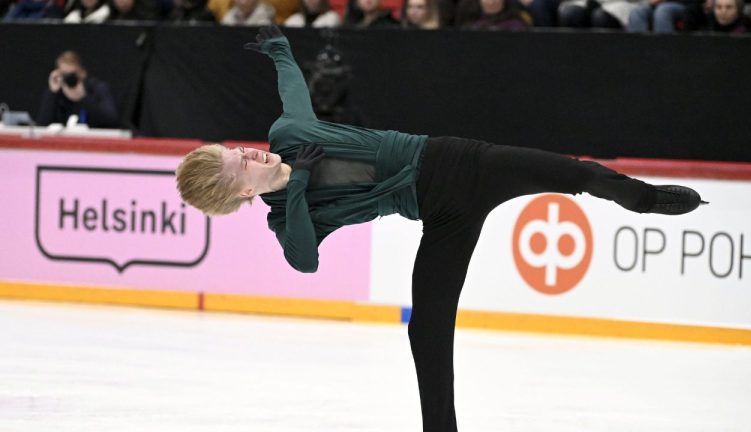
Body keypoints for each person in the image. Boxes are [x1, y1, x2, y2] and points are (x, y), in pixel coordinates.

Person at [175, 26, 707, 432]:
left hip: (458, 162)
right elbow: (305, 261)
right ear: (242, 191)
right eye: (237, 165)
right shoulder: (285, 219)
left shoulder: (288, 131)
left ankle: (644, 198)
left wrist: (280, 50)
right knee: (426, 329)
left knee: (575, 172)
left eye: (234, 150)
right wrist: (298, 187)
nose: (245, 152)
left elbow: (292, 91)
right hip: (441, 217)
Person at [37, 50, 119, 129]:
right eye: (64, 74)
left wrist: (83, 98)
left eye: (72, 74)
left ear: (82, 72)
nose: (69, 78)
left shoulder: (97, 89)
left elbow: (112, 121)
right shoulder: (57, 93)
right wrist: (52, 93)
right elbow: (42, 126)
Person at [627, 0, 704, 32]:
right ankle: (637, 52)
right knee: (637, 12)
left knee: (663, 11)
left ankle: (664, 52)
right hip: (659, 5)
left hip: (686, 5)